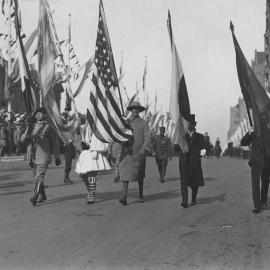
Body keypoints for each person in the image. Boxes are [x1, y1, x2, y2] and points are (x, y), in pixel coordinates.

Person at [20, 108, 61, 206]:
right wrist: (28, 129)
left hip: (44, 155)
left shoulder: (48, 127)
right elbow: (22, 140)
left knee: (39, 177)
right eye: (37, 113)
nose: (38, 115)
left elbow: (55, 143)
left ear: (44, 115)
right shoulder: (32, 125)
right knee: (37, 177)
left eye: (40, 113)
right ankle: (43, 195)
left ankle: (35, 196)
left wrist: (57, 157)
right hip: (33, 156)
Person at [118, 101, 151, 205]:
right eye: (133, 108)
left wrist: (144, 149)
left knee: (140, 175)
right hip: (127, 152)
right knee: (125, 174)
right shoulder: (126, 123)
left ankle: (141, 195)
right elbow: (120, 135)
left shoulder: (144, 123)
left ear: (139, 111)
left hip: (139, 153)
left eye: (137, 108)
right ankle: (124, 196)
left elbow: (148, 137)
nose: (135, 110)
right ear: (131, 110)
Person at [75, 125, 111, 204]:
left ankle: (91, 194)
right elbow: (77, 135)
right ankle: (90, 191)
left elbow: (104, 140)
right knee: (83, 175)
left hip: (94, 153)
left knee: (91, 174)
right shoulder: (82, 127)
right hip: (84, 154)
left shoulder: (98, 127)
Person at [178, 114, 206, 208]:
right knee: (184, 182)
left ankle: (193, 198)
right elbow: (176, 147)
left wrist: (200, 156)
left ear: (194, 125)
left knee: (194, 182)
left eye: (192, 124)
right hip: (184, 161)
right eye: (188, 124)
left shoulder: (199, 137)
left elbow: (204, 149)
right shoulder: (181, 136)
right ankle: (184, 201)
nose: (190, 125)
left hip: (195, 162)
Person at [240, 128, 270, 213]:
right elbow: (243, 142)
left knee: (264, 181)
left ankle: (263, 202)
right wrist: (249, 133)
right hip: (256, 160)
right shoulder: (254, 130)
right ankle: (257, 205)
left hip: (266, 160)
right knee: (256, 183)